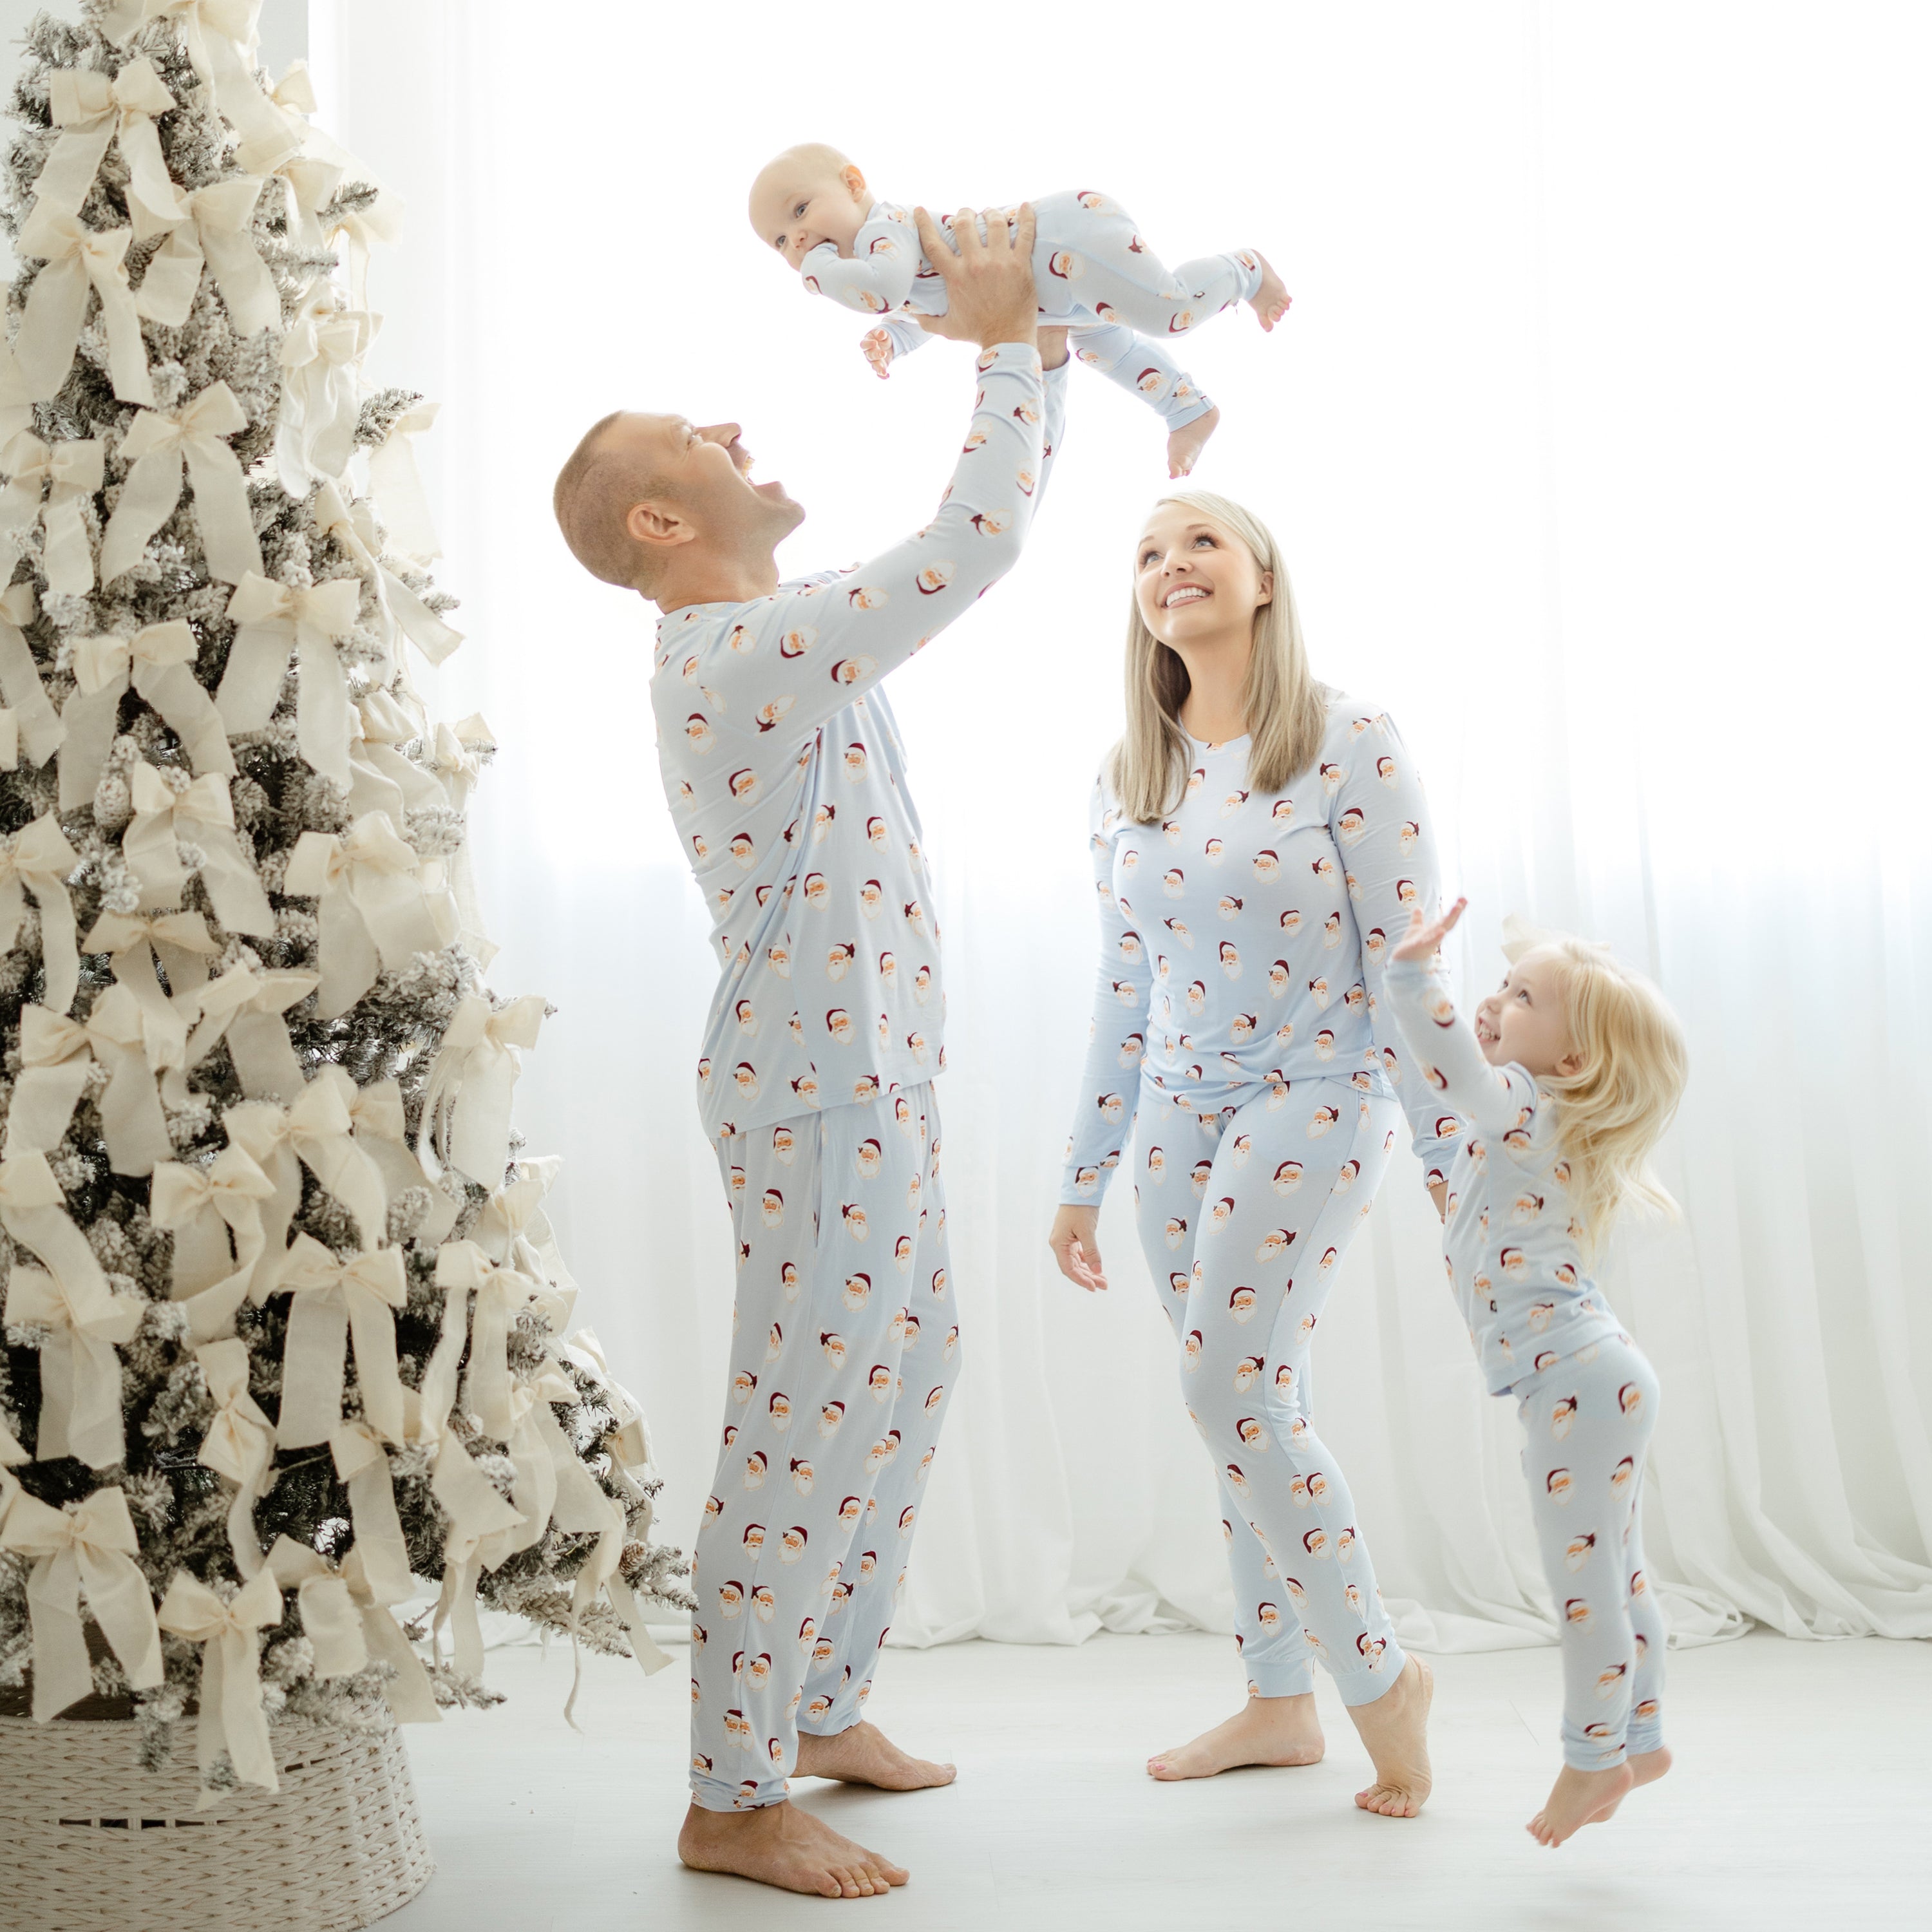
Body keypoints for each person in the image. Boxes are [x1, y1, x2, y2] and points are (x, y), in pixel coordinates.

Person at [553, 204, 1070, 1901]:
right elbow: (975, 543)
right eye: (697, 437)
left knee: (906, 1380)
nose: (734, 429)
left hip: (874, 1073)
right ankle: (731, 1795)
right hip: (817, 1089)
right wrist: (1007, 345)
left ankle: (823, 1702)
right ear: (661, 519)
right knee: (801, 1421)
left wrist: (1034, 346)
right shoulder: (741, 652)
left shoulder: (775, 645)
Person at [1047, 490, 1444, 1816]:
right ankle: (1280, 1701)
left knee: (1232, 1392)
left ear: (1265, 577)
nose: (1172, 565)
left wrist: (1455, 1143)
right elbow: (1123, 987)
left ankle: (1381, 1680)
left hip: (1316, 1096)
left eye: (1201, 541)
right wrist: (1083, 1173)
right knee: (1248, 1404)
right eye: (1148, 554)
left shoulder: (1348, 739)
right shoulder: (1128, 774)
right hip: (1178, 1115)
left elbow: (1406, 965)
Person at [1383, 895, 1687, 1847]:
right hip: (1596, 1380)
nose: (1495, 1002)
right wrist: (1411, 1030)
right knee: (1618, 1571)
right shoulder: (1526, 1126)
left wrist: (1412, 979)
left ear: (1574, 1062)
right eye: (1503, 986)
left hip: (1577, 1385)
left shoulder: (1524, 1104)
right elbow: (1441, 1114)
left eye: (1523, 998)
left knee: (1585, 1586)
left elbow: (1457, 1074)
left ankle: (1591, 1757)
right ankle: (1641, 1738)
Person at [749, 142, 1291, 479]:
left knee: (1168, 312)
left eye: (801, 211)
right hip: (1058, 299)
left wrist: (817, 272)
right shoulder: (882, 261)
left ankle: (1245, 270)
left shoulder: (883, 229)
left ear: (853, 185)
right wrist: (896, 339)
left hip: (1070, 240)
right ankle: (1186, 409)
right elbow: (933, 310)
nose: (798, 239)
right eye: (780, 242)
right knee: (1104, 347)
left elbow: (883, 293)